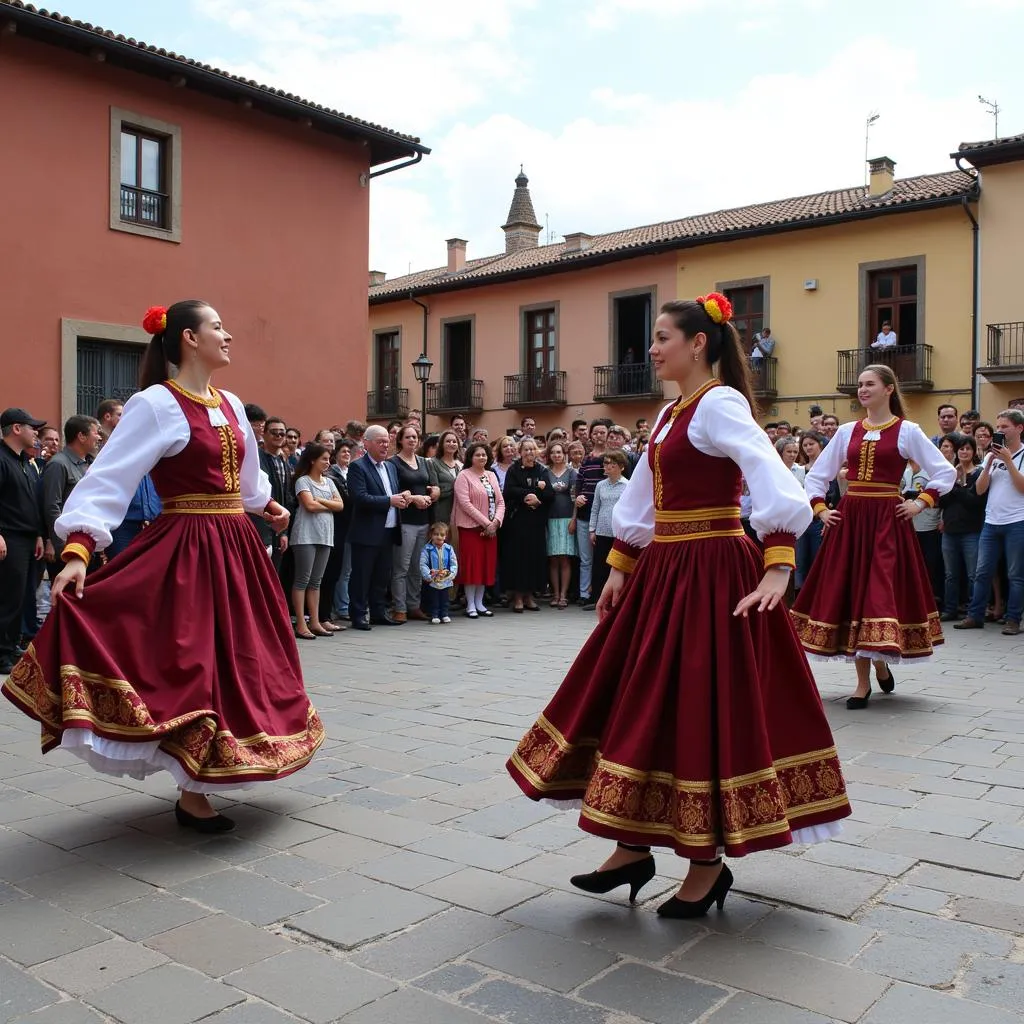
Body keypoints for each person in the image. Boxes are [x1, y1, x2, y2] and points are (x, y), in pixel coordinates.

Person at [508, 294, 850, 918]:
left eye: (663, 337)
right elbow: (639, 503)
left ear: (698, 344)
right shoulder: (669, 413)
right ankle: (631, 845)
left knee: (700, 707)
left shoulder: (719, 404)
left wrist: (778, 564)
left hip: (713, 571)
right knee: (641, 701)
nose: (652, 348)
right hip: (665, 571)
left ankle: (704, 864)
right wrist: (620, 567)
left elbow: (774, 479)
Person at [1, 302, 324, 831]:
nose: (229, 334)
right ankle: (193, 790)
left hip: (237, 547)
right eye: (217, 326)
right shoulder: (156, 404)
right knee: (193, 661)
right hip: (189, 549)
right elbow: (111, 477)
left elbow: (243, 481)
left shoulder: (233, 404)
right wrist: (79, 548)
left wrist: (265, 505)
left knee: (242, 658)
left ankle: (218, 765)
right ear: (189, 339)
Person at [790, 364, 955, 708]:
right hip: (851, 520)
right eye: (860, 385)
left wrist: (919, 503)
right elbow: (817, 476)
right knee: (851, 593)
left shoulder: (907, 431)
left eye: (870, 384)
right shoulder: (847, 431)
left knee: (877, 593)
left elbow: (944, 471)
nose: (862, 390)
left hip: (887, 522)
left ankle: (878, 662)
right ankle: (863, 681)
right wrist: (821, 510)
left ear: (888, 389)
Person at [955, 409, 1024, 636]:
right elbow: (979, 489)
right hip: (991, 521)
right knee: (982, 572)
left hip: (1017, 521)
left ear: (1019, 428)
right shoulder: (989, 456)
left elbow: (1022, 488)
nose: (1000, 431)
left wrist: (1008, 462)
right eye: (999, 426)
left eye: (1005, 427)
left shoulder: (1023, 455)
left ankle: (1013, 620)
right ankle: (975, 616)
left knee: (1015, 575)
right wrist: (991, 462)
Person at [346, 425, 409, 631]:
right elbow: (360, 497)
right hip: (367, 531)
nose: (385, 445)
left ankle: (378, 612)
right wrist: (389, 501)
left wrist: (403, 498)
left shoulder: (390, 467)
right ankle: (358, 614)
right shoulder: (358, 467)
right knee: (362, 576)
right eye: (380, 441)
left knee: (382, 575)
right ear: (367, 443)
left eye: (387, 441)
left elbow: (392, 494)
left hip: (389, 529)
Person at [0, 409, 46, 674]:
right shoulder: (2, 459)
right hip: (10, 537)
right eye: (32, 427)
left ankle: (11, 645)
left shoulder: (24, 461)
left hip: (28, 538)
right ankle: (1, 652)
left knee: (21, 596)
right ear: (16, 429)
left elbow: (29, 503)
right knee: (8, 596)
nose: (36, 433)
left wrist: (39, 534)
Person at [290, 442, 344, 639]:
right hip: (305, 535)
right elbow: (308, 506)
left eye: (329, 459)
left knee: (316, 581)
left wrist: (320, 500)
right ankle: (301, 623)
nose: (328, 463)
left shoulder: (329, 482)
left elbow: (340, 506)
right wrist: (326, 503)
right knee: (303, 579)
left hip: (325, 535)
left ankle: (315, 621)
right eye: (324, 459)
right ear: (312, 460)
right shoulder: (303, 481)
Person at [390, 424, 438, 623]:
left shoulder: (424, 462)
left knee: (417, 567)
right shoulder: (393, 463)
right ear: (400, 440)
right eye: (408, 437)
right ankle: (399, 607)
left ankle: (413, 605)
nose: (412, 440)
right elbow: (392, 491)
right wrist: (415, 498)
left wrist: (433, 494)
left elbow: (433, 486)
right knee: (401, 566)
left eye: (415, 437)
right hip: (405, 521)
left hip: (423, 521)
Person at [452, 442, 504, 618]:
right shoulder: (463, 476)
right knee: (472, 566)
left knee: (485, 566)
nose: (482, 457)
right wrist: (485, 523)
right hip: (470, 528)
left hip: (491, 529)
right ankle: (470, 605)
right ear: (470, 458)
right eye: (478, 455)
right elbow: (465, 504)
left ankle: (480, 603)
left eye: (484, 455)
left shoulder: (491, 475)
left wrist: (496, 522)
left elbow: (500, 501)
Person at [500, 438, 552, 613]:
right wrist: (529, 493)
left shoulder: (542, 470)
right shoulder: (513, 470)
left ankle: (530, 596)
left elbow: (550, 493)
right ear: (520, 452)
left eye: (532, 450)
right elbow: (508, 491)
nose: (530, 453)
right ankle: (518, 598)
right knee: (518, 560)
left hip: (535, 522)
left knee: (534, 559)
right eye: (526, 450)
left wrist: (538, 498)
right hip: (517, 522)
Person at [41, 416, 101, 565]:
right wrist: (61, 544)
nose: (99, 438)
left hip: (88, 542)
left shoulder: (90, 464)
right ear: (81, 436)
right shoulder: (58, 464)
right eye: (96, 433)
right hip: (69, 546)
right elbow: (51, 506)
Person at [938, 434, 984, 621]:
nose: (964, 452)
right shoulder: (949, 473)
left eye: (968, 449)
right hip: (950, 530)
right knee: (950, 575)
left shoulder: (979, 473)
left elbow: (974, 501)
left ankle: (974, 612)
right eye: (961, 449)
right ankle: (950, 609)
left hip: (971, 531)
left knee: (974, 574)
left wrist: (958, 485)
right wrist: (956, 482)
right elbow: (942, 500)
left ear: (973, 452)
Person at [587, 448, 629, 609]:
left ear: (621, 466)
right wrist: (592, 529)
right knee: (599, 565)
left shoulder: (627, 485)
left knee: (617, 566)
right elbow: (595, 507)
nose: (608, 466)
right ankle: (597, 599)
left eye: (612, 464)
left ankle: (617, 600)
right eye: (606, 463)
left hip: (618, 532)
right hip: (602, 530)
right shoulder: (600, 485)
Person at [252, 416, 291, 571]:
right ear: (265, 434)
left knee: (275, 573)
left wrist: (284, 532)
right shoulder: (257, 458)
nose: (278, 436)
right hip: (261, 527)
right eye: (274, 432)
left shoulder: (283, 461)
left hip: (278, 526)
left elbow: (286, 498)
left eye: (282, 433)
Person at [321, 438, 354, 626]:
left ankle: (343, 605)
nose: (347, 454)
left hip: (350, 525)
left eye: (349, 452)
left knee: (347, 569)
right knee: (338, 570)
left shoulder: (350, 472)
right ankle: (339, 607)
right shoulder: (333, 475)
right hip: (336, 527)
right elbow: (344, 502)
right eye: (343, 452)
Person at [544, 441, 577, 608]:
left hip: (566, 518)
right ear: (549, 455)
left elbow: (576, 498)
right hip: (550, 519)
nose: (556, 455)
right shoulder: (545, 472)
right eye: (553, 452)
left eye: (559, 452)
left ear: (564, 454)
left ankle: (564, 594)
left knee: (564, 559)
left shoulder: (572, 473)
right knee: (553, 559)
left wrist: (574, 519)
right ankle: (555, 594)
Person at [419, 521, 457, 624]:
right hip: (433, 580)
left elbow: (454, 563)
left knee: (445, 598)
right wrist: (428, 575)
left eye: (442, 535)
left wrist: (451, 574)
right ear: (431, 535)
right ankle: (434, 614)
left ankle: (444, 614)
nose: (439, 537)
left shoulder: (449, 549)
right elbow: (423, 564)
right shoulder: (427, 549)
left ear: (446, 536)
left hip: (445, 579)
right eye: (436, 534)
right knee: (434, 598)